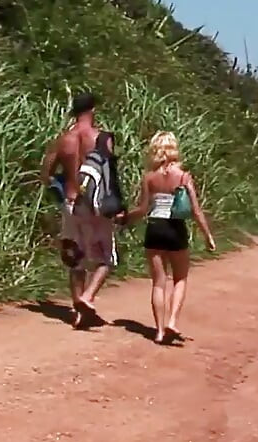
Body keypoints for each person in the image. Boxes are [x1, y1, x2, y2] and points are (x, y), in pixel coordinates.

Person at [39, 92, 120, 329]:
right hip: (95, 204)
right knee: (106, 257)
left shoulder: (63, 140)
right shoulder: (101, 137)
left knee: (76, 255)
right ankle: (88, 297)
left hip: (71, 202)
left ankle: (78, 311)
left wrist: (62, 187)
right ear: (92, 110)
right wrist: (118, 206)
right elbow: (110, 175)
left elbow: (46, 174)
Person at [127, 131, 215, 344]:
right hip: (175, 228)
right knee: (180, 278)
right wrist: (207, 235)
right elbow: (196, 210)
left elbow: (143, 208)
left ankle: (158, 331)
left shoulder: (149, 177)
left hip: (154, 228)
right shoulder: (183, 177)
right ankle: (172, 322)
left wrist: (125, 218)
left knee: (158, 283)